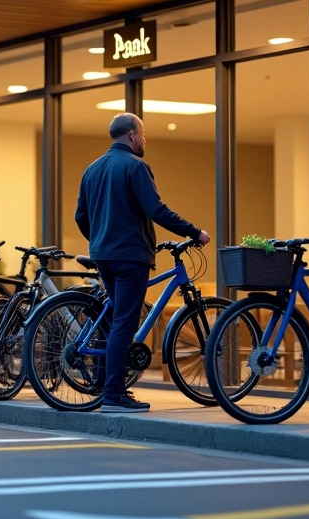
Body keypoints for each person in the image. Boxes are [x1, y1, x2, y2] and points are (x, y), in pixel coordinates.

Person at [75, 113, 210, 413]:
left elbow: (80, 217)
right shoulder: (136, 167)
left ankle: (102, 382)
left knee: (113, 320)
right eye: (144, 133)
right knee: (125, 321)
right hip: (130, 256)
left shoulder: (91, 169)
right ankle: (113, 395)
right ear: (133, 136)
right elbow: (156, 209)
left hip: (103, 256)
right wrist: (194, 231)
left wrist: (100, 240)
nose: (146, 139)